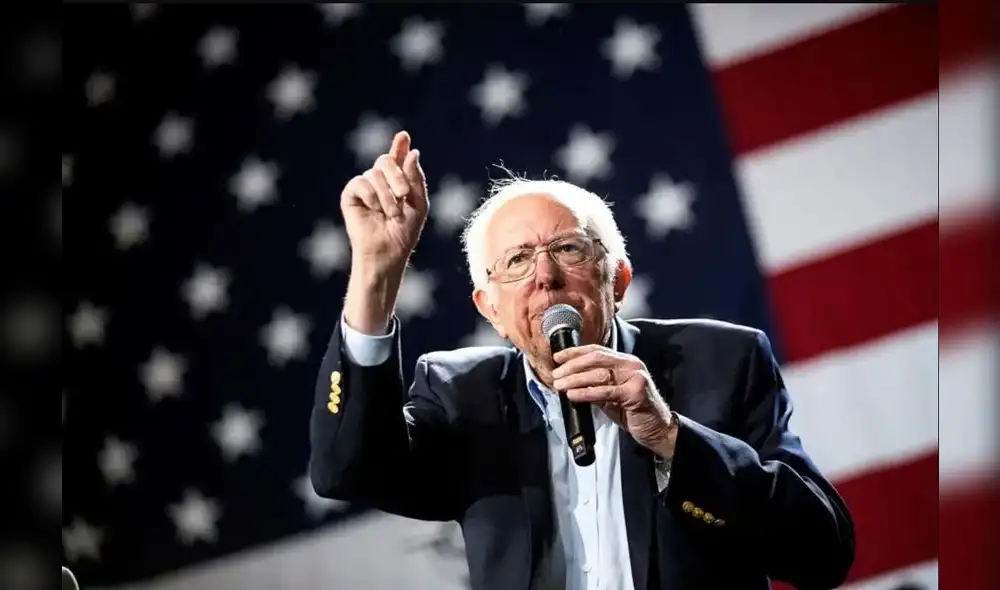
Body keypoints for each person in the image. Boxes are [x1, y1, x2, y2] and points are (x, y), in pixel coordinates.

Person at [309, 131, 855, 590]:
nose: (544, 275)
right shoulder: (460, 396)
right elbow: (345, 470)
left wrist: (670, 436)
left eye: (568, 250)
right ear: (491, 309)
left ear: (617, 280)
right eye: (517, 260)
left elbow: (822, 553)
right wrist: (375, 276)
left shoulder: (722, 362)